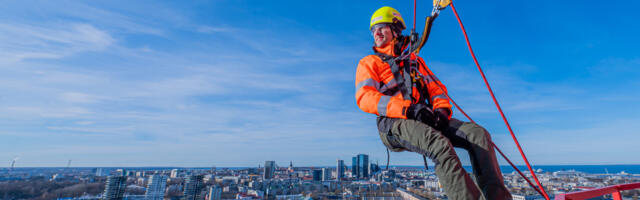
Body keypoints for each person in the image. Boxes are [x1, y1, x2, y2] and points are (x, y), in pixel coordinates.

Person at [355, 6, 512, 200]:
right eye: (374, 30)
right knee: (438, 144)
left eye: (382, 27)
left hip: (423, 118)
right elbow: (365, 97)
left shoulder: (415, 62)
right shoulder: (370, 62)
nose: (376, 33)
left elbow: (436, 89)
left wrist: (442, 112)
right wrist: (409, 110)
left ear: (396, 30)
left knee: (478, 135)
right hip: (393, 124)